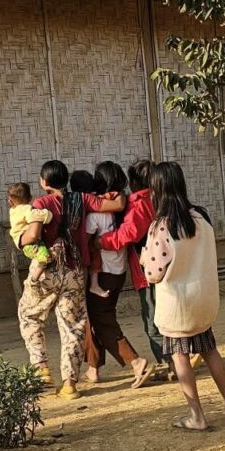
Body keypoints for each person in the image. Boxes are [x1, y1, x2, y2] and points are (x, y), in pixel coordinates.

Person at [142, 161, 225, 432]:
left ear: (156, 190)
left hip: (177, 304)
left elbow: (153, 273)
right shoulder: (201, 217)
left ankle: (196, 415)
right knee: (210, 351)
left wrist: (144, 258)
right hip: (203, 301)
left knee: (180, 357)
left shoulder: (161, 227)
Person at [16, 159, 89, 399]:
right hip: (75, 271)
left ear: (44, 181)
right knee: (73, 326)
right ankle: (69, 384)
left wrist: (22, 238)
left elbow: (34, 234)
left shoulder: (41, 203)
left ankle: (42, 368)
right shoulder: (80, 200)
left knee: (29, 315)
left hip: (48, 269)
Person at [82, 160, 152, 387]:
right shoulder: (122, 204)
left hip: (104, 272)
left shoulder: (97, 210)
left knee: (102, 319)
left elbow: (89, 238)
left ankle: (135, 361)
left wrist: (96, 243)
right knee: (94, 316)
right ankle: (93, 368)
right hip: (119, 270)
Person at [97, 158, 167, 377]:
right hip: (168, 268)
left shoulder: (138, 204)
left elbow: (129, 234)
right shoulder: (160, 199)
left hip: (147, 273)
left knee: (152, 322)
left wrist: (100, 242)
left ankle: (170, 362)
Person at [7, 182, 53, 284]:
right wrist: (48, 214)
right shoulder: (27, 209)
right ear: (30, 197)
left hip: (20, 241)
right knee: (44, 258)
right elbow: (36, 216)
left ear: (10, 202)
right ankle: (34, 279)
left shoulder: (13, 210)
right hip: (29, 242)